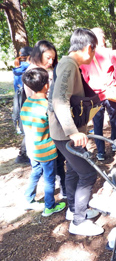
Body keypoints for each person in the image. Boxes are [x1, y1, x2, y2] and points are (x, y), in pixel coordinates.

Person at [48, 28, 103, 236]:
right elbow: (59, 99)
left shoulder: (68, 64)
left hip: (61, 131)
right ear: (89, 47)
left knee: (73, 170)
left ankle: (74, 211)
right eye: (94, 49)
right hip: (65, 133)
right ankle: (79, 222)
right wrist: (72, 132)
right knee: (88, 172)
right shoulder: (69, 65)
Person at [20, 68, 66, 216]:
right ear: (47, 85)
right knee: (49, 179)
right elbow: (56, 126)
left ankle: (28, 199)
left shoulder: (27, 102)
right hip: (46, 150)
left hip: (32, 149)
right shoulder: (46, 106)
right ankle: (49, 206)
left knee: (36, 172)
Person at [24, 40, 67, 199]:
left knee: (55, 163)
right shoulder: (34, 74)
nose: (50, 62)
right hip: (46, 129)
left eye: (52, 59)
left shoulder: (43, 71)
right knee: (55, 162)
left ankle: (61, 187)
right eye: (48, 58)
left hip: (44, 128)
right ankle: (58, 194)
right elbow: (40, 103)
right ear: (38, 54)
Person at [80, 28, 116, 161]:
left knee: (97, 124)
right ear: (102, 38)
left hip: (95, 95)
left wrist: (87, 96)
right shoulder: (110, 54)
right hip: (111, 92)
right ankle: (114, 143)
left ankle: (100, 152)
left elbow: (85, 78)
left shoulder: (86, 56)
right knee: (114, 120)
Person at [12, 47, 33, 164]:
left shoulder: (18, 66)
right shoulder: (28, 68)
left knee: (27, 126)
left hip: (19, 99)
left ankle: (23, 154)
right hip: (26, 98)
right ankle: (23, 154)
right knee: (30, 127)